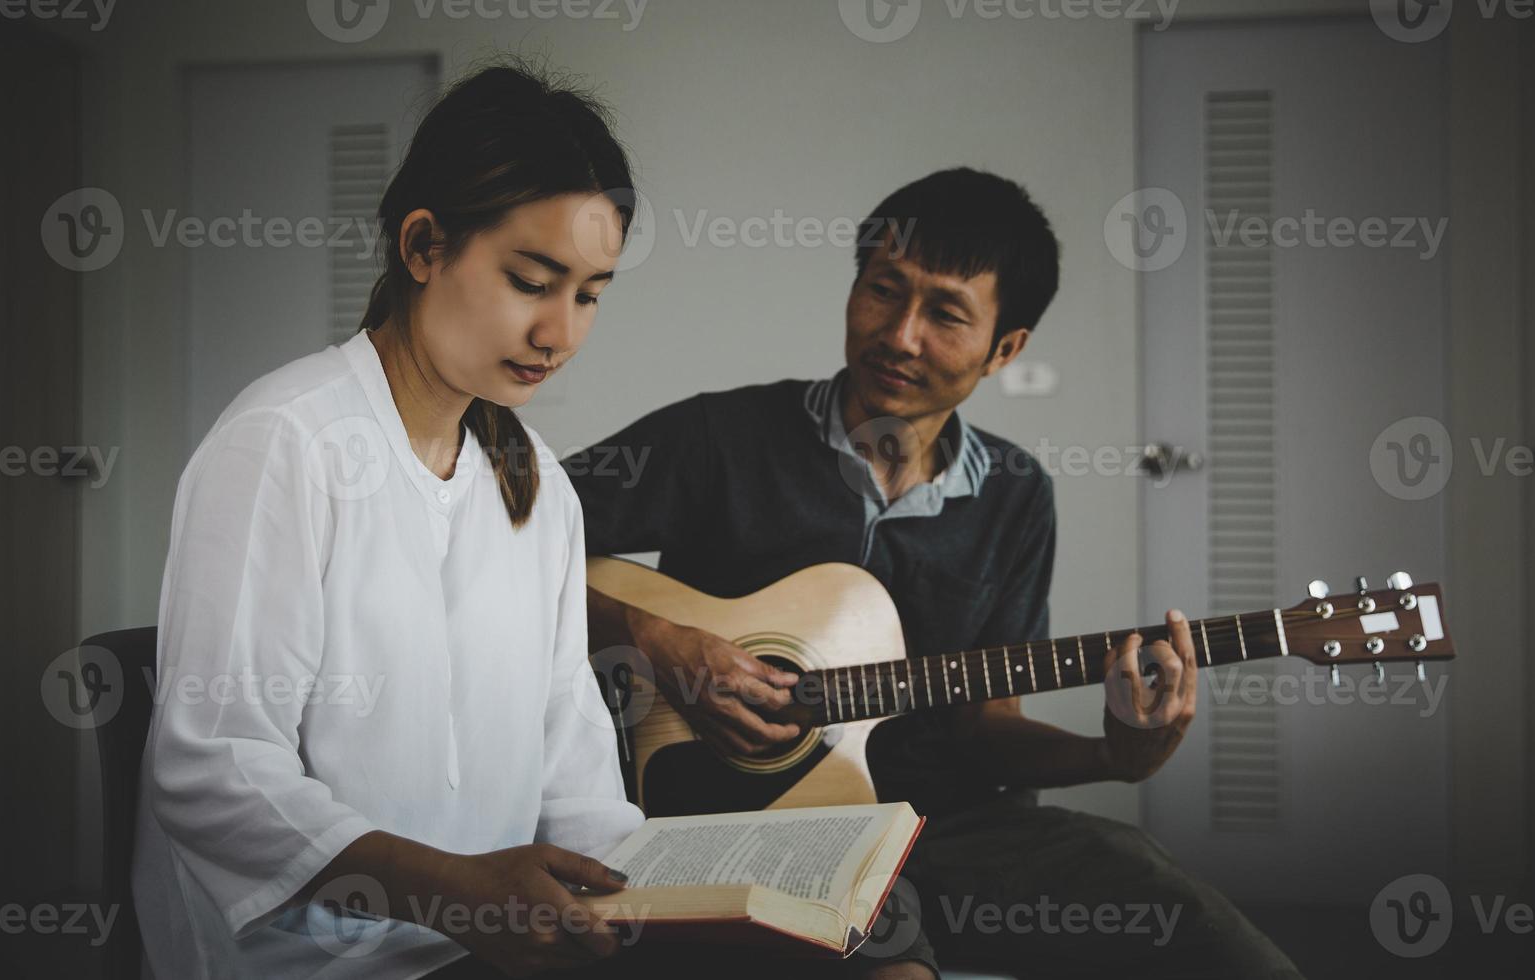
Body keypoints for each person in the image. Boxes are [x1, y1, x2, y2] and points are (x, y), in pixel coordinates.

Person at [565, 168, 1305, 979]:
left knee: (1188, 919)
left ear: (1005, 349)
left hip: (943, 830)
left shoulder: (1016, 493)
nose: (901, 335)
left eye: (946, 313)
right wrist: (651, 635)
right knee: (888, 954)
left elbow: (985, 729)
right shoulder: (721, 436)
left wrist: (1115, 756)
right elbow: (508, 524)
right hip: (741, 824)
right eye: (884, 290)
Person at [132, 63, 646, 979]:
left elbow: (573, 758)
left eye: (592, 294)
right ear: (423, 246)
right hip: (324, 962)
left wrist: (643, 893)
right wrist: (447, 890)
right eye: (533, 280)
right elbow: (213, 767)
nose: (561, 333)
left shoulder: (539, 489)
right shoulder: (284, 443)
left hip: (496, 952)